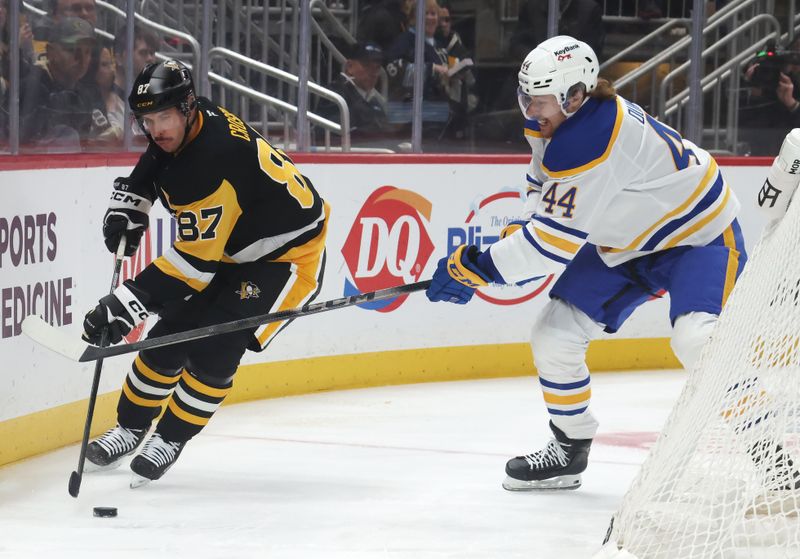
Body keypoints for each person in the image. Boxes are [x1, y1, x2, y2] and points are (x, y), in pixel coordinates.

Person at [425, 36, 746, 491]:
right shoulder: (556, 123)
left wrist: (475, 266)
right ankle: (569, 450)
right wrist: (521, 227)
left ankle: (768, 444)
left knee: (697, 340)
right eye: (526, 98)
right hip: (626, 244)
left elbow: (549, 250)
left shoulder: (592, 137)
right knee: (554, 335)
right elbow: (539, 185)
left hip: (700, 237)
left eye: (538, 100)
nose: (530, 110)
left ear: (575, 96)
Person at [81, 59, 329, 486]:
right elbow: (158, 158)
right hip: (233, 247)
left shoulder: (212, 162)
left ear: (187, 107)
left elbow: (194, 265)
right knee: (168, 335)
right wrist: (134, 201)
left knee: (215, 347)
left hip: (286, 258)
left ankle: (171, 438)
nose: (156, 129)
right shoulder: (192, 123)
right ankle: (130, 427)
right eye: (147, 119)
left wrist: (125, 304)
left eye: (164, 117)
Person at [19, 16, 96, 148]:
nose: (81, 59)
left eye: (87, 52)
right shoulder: (30, 90)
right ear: (50, 52)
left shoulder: (85, 95)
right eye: (72, 50)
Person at [319, 41, 394, 141]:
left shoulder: (373, 100)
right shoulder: (334, 94)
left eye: (376, 68)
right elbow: (325, 134)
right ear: (350, 66)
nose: (373, 73)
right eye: (367, 65)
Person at [739, 38, 800, 156]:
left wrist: (792, 104)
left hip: (791, 154)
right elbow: (735, 123)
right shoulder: (754, 83)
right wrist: (749, 88)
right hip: (758, 149)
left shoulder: (794, 86)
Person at [112, 25, 158, 98]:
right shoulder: (106, 98)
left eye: (152, 53)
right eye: (143, 53)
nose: (150, 58)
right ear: (119, 58)